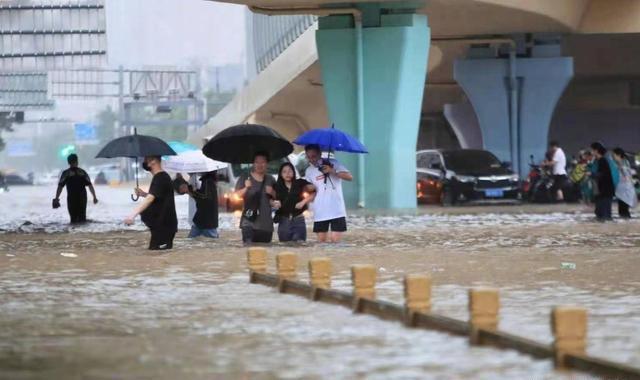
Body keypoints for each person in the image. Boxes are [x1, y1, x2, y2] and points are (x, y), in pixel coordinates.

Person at [124, 156, 178, 250]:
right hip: (161, 226)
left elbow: (150, 198)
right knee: (155, 254)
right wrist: (143, 194)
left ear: (153, 161)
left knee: (158, 256)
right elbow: (158, 197)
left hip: (164, 227)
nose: (144, 162)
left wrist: (132, 215)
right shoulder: (159, 177)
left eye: (146, 160)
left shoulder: (161, 178)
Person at [304, 144, 353, 243]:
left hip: (337, 210)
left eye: (313, 156)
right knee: (321, 242)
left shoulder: (333, 163)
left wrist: (332, 171)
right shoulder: (308, 171)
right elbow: (309, 189)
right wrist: (309, 188)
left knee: (335, 241)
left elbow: (349, 177)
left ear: (320, 154)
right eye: (308, 157)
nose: (311, 160)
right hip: (320, 210)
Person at [234, 152, 276, 244]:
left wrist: (272, 192)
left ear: (267, 164)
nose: (259, 165)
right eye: (257, 162)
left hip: (266, 225)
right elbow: (237, 195)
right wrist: (246, 188)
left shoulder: (271, 179)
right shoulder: (245, 177)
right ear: (253, 163)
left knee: (265, 255)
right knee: (249, 251)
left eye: (262, 162)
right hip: (248, 223)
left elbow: (278, 199)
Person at [271, 162, 315, 243]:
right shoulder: (276, 186)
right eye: (284, 172)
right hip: (284, 221)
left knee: (300, 245)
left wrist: (303, 202)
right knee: (285, 247)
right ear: (280, 174)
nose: (287, 174)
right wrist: (274, 203)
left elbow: (314, 191)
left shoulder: (300, 183)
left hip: (298, 220)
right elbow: (268, 198)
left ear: (293, 172)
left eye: (290, 171)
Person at [53, 154, 98, 223]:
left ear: (68, 162)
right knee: (82, 219)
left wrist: (56, 198)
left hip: (71, 198)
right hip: (82, 198)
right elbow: (90, 185)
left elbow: (60, 186)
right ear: (77, 161)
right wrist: (94, 197)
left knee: (73, 219)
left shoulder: (66, 173)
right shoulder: (82, 172)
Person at [187, 171, 220, 238]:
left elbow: (205, 196)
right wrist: (191, 191)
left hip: (206, 221)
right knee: (190, 241)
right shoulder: (207, 181)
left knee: (212, 243)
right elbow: (202, 198)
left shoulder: (208, 181)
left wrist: (192, 191)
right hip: (200, 220)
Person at [589, 142, 616, 222]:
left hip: (606, 191)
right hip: (602, 191)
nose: (591, 152)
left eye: (592, 150)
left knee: (605, 215)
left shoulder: (603, 160)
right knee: (600, 213)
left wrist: (592, 174)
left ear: (596, 150)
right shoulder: (598, 160)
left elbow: (603, 174)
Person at [612, 147, 637, 218]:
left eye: (614, 155)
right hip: (622, 191)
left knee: (624, 210)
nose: (613, 157)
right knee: (622, 210)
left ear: (619, 155)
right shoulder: (621, 163)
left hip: (625, 190)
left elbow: (626, 176)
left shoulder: (624, 163)